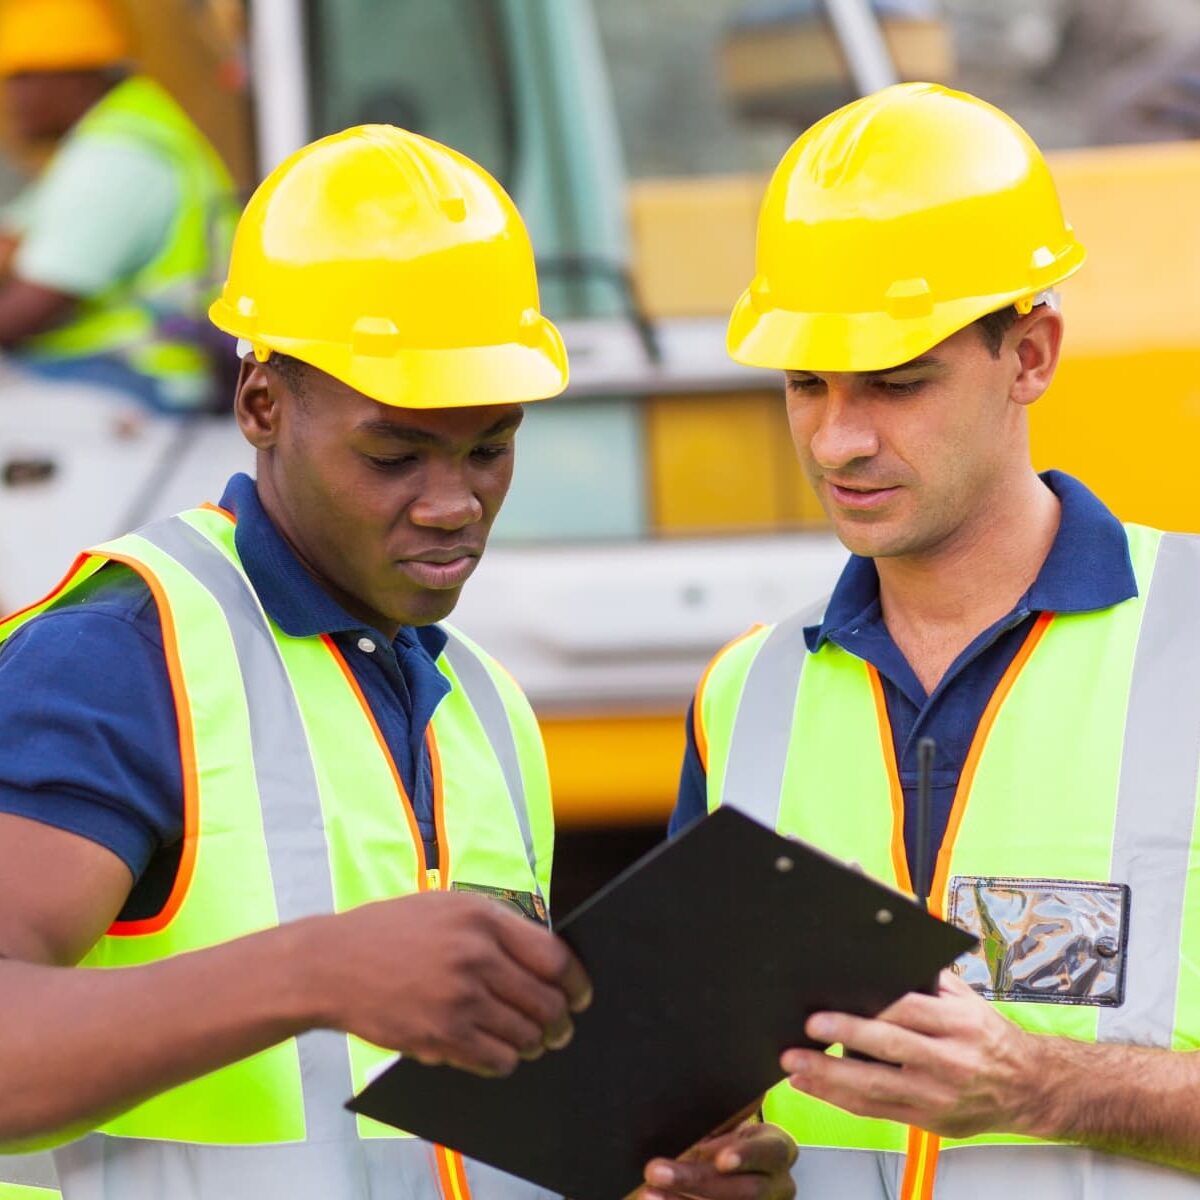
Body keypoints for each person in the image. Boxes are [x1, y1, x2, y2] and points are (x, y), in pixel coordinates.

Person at [0, 126, 797, 1200]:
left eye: (488, 448)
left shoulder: (483, 703)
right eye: (394, 453)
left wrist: (643, 1178)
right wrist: (315, 972)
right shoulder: (120, 654)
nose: (451, 503)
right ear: (262, 405)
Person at [674, 81, 1200, 1197]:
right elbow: (699, 1089)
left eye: (897, 384)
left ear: (1032, 356)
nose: (838, 439)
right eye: (805, 384)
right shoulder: (744, 696)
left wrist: (1041, 1085)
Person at [0, 0, 237, 412]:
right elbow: (11, 241)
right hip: (121, 371)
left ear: (74, 76)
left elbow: (22, 314)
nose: (10, 96)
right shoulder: (109, 133)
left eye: (23, 77)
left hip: (151, 381)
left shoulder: (119, 156)